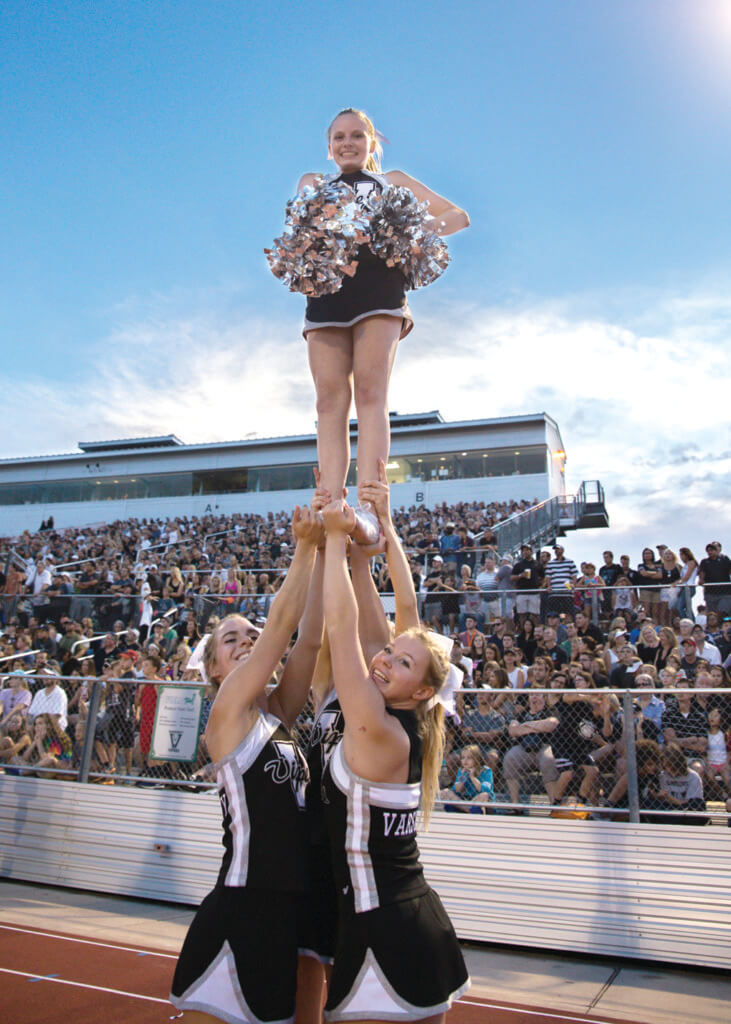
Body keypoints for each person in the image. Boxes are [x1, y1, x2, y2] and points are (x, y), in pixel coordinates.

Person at [170, 507, 323, 1024]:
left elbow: (310, 639)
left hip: (288, 905)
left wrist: (328, 553)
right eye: (231, 640)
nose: (247, 642)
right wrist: (304, 545)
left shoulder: (275, 714)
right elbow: (283, 624)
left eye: (251, 636)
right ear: (214, 668)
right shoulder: (229, 710)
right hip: (243, 902)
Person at [320, 497, 469, 1021]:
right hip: (406, 920)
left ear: (423, 691)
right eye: (388, 653)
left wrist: (337, 539)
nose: (383, 660)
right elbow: (390, 623)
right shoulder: (407, 720)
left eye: (401, 663)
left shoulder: (382, 731)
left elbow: (342, 629)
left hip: (387, 931)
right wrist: (368, 553)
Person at [297, 108, 469, 543]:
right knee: (327, 402)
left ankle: (371, 505)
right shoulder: (313, 184)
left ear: (373, 143)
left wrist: (407, 231)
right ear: (329, 145)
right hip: (328, 292)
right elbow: (301, 231)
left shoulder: (392, 181)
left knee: (372, 392)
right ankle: (329, 501)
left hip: (379, 290)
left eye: (357, 135)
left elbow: (457, 217)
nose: (347, 143)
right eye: (338, 137)